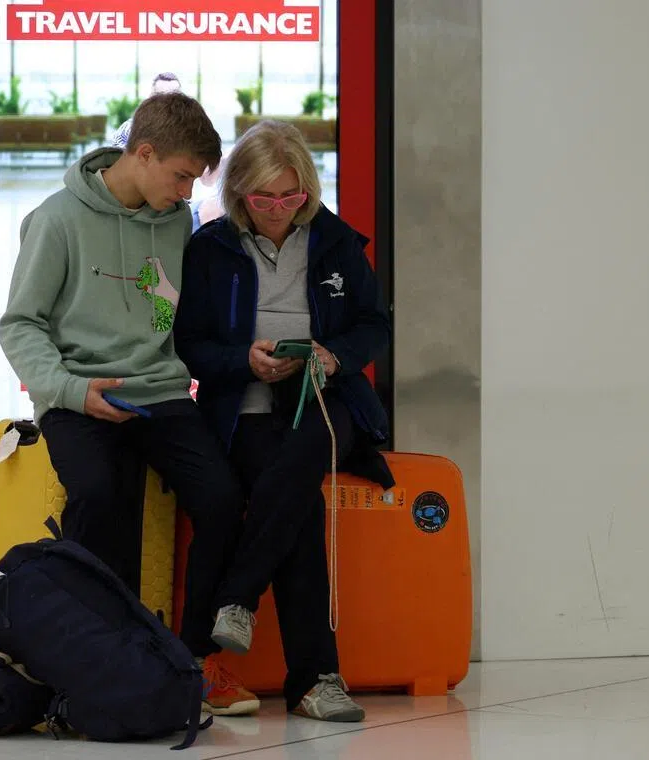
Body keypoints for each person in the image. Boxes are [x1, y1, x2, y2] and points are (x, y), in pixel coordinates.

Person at [0, 91, 259, 716]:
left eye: (196, 179)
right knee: (98, 495)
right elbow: (20, 325)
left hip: (160, 393)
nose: (188, 190)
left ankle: (194, 661)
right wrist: (67, 390)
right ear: (142, 153)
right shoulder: (55, 220)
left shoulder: (177, 220)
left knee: (223, 500)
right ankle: (101, 663)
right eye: (181, 175)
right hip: (78, 393)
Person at [173, 120, 394, 722]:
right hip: (244, 408)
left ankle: (237, 598)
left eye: (291, 197)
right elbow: (188, 342)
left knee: (300, 460)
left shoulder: (337, 241)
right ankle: (316, 680)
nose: (277, 210)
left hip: (329, 401)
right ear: (240, 191)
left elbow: (374, 325)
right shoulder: (210, 249)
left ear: (308, 191)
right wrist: (243, 360)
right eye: (264, 198)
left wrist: (333, 355)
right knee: (300, 506)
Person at [111, 72, 181, 149]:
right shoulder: (128, 130)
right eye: (160, 95)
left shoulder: (192, 131)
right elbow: (117, 158)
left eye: (174, 96)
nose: (167, 101)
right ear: (150, 98)